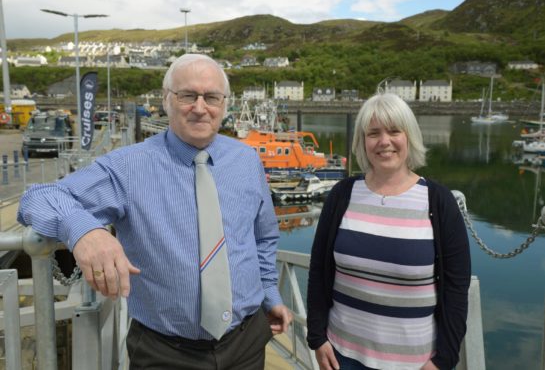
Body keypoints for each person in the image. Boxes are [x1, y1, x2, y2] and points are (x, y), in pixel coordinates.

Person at [18, 53, 292, 369]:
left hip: (246, 341)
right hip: (165, 352)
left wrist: (270, 295)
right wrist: (85, 231)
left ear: (225, 104)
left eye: (211, 97)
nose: (200, 108)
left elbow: (264, 238)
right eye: (188, 95)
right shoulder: (127, 167)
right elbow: (37, 197)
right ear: (166, 100)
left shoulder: (247, 161)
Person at [306, 93, 471, 370]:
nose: (384, 142)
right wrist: (317, 338)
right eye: (374, 133)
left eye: (394, 131)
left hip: (415, 362)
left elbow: (456, 289)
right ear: (363, 141)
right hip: (341, 355)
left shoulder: (438, 202)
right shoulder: (342, 195)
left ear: (410, 137)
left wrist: (442, 360)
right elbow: (319, 270)